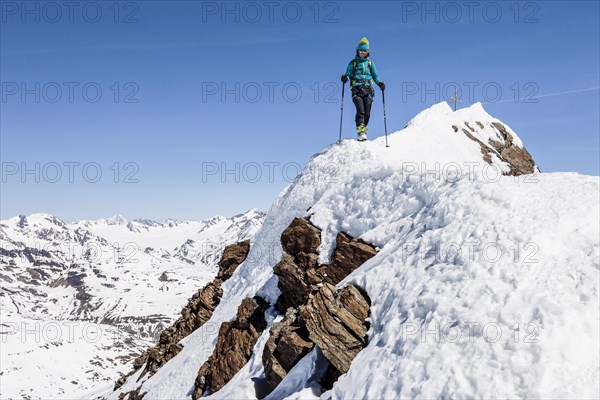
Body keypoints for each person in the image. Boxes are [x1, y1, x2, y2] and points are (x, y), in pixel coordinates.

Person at [341, 37, 385, 142]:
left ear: (368, 52)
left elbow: (375, 76)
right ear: (357, 51)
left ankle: (364, 130)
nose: (363, 53)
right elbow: (348, 75)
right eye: (361, 51)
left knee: (367, 112)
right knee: (360, 110)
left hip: (369, 89)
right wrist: (345, 78)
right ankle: (360, 132)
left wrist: (380, 83)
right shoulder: (353, 63)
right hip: (356, 89)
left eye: (365, 51)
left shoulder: (370, 63)